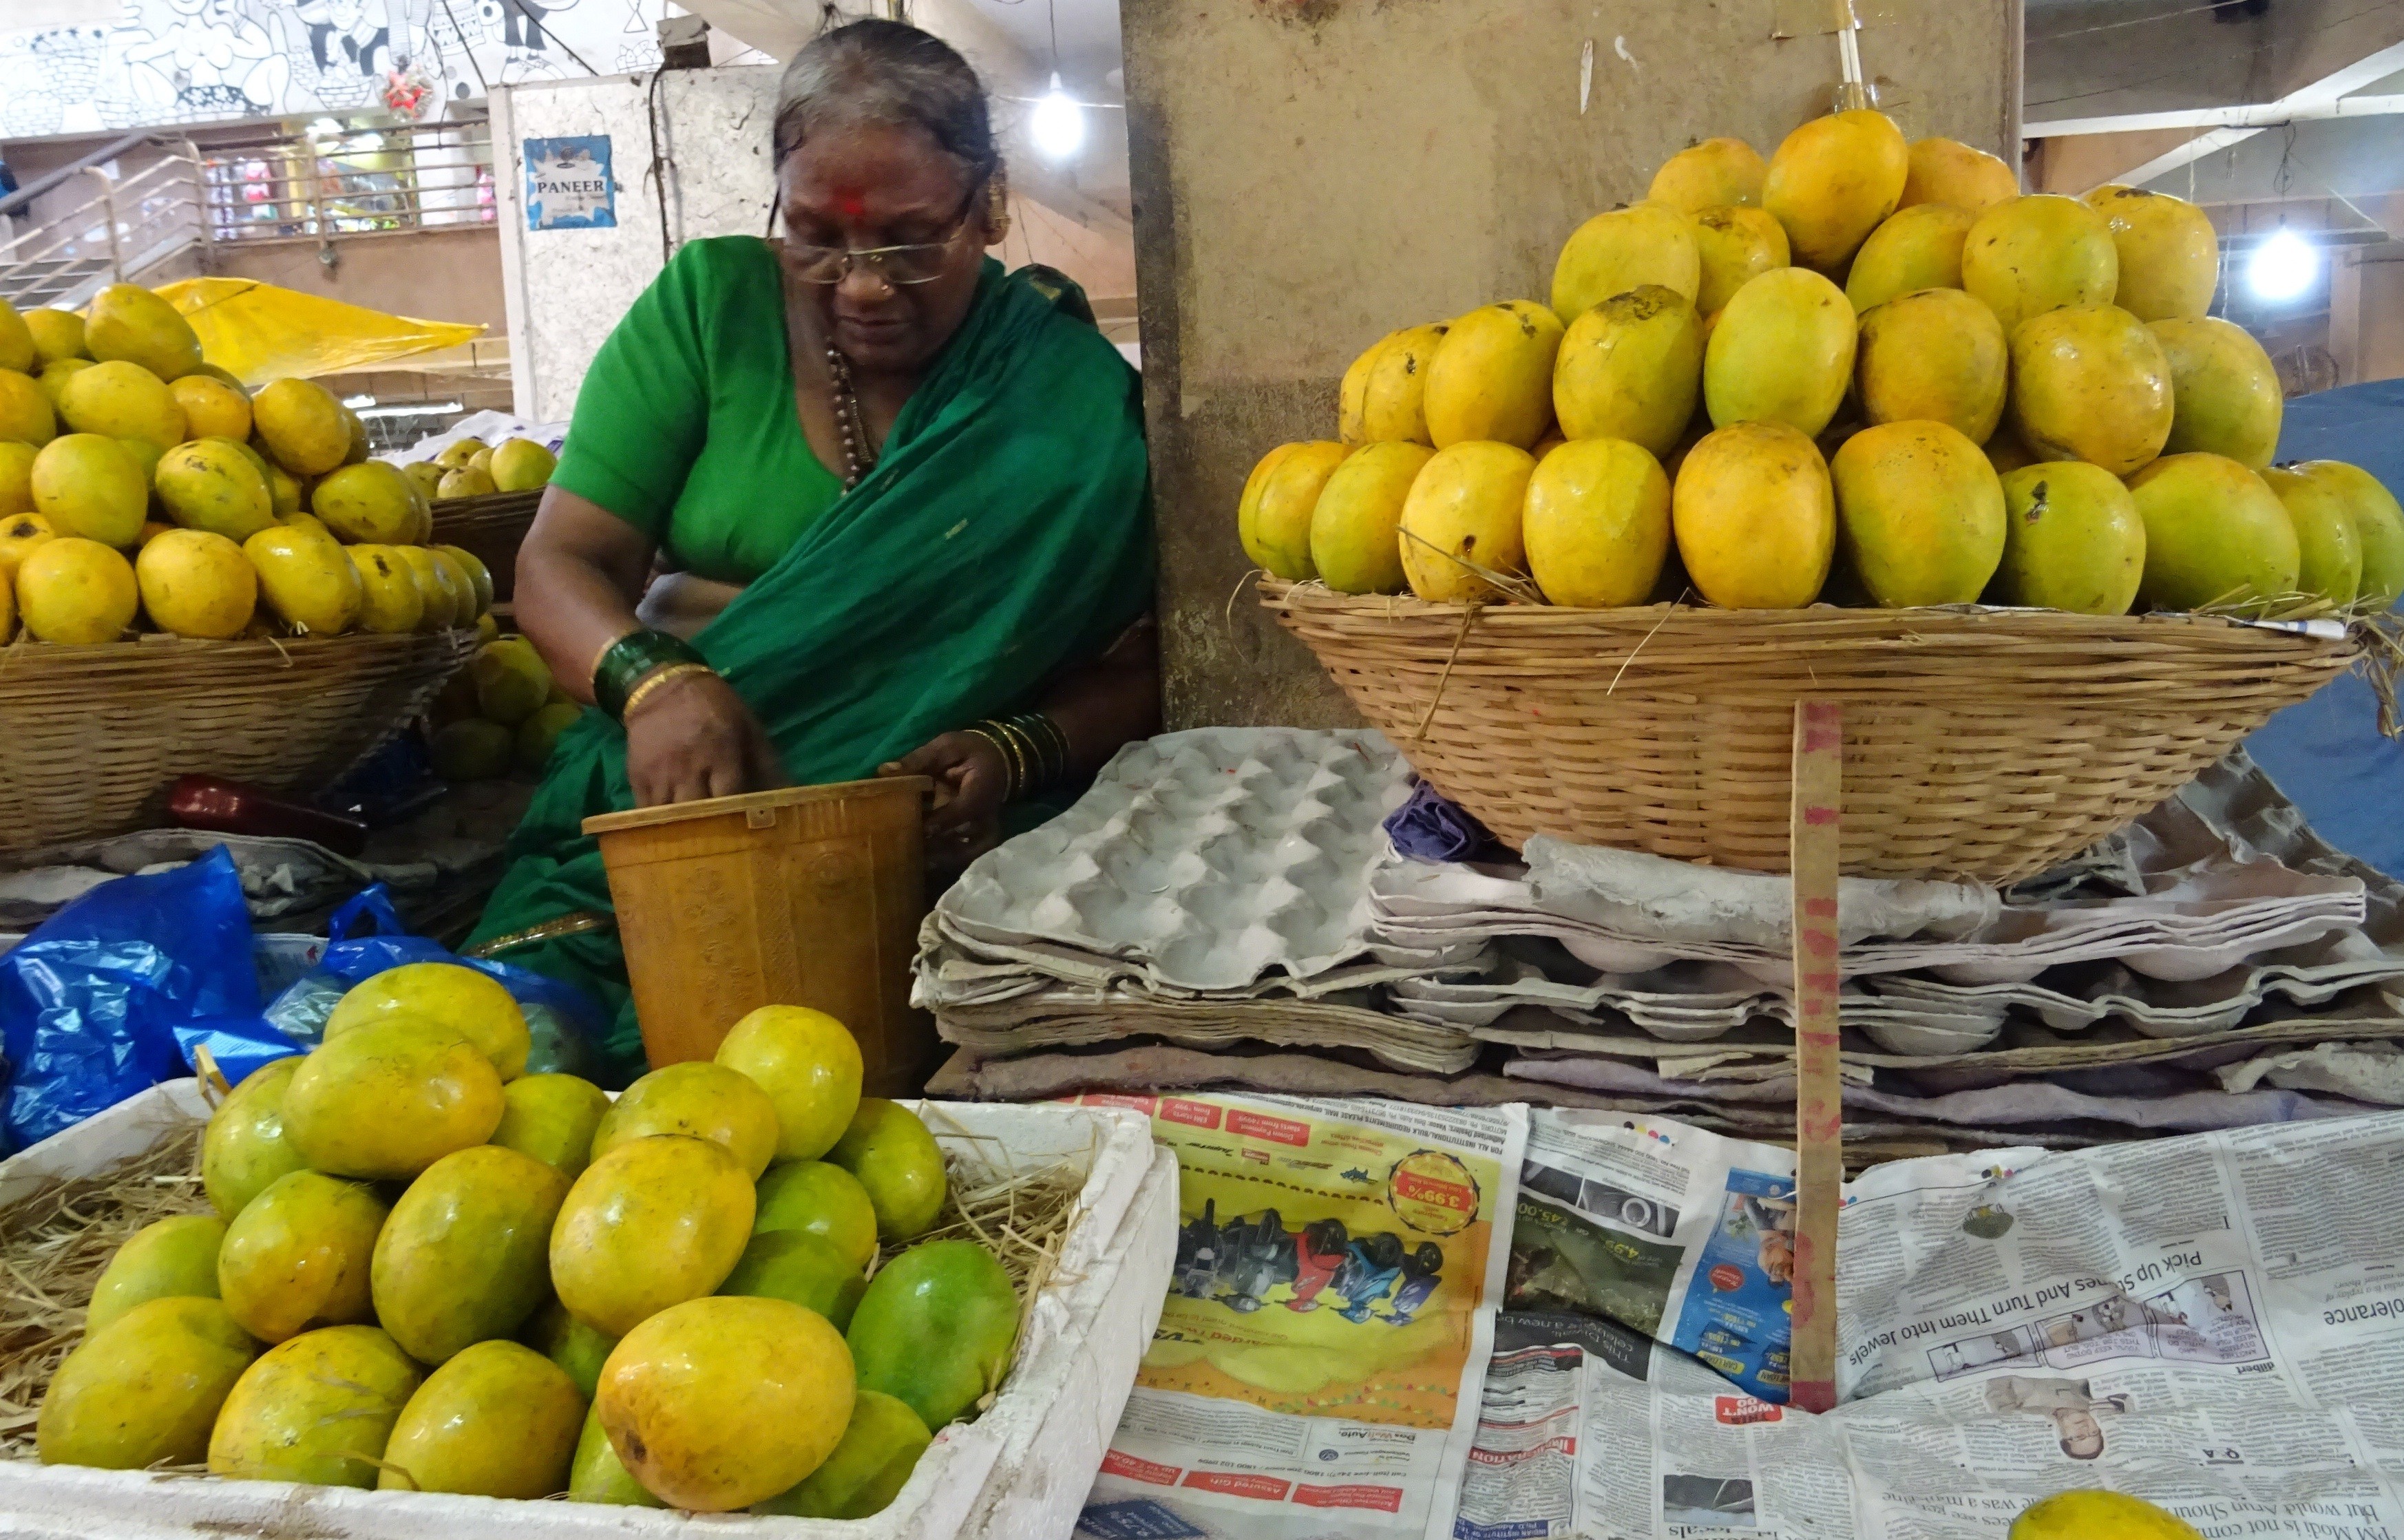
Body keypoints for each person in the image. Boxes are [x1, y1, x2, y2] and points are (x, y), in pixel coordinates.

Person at [463, 19, 1157, 1081]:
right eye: (818, 238)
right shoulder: (709, 311)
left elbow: (1148, 667)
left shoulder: (1064, 398)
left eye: (912, 238)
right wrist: (653, 686)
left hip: (937, 857)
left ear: (991, 209)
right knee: (524, 1067)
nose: (865, 285)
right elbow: (561, 564)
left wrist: (1015, 748)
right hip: (672, 823)